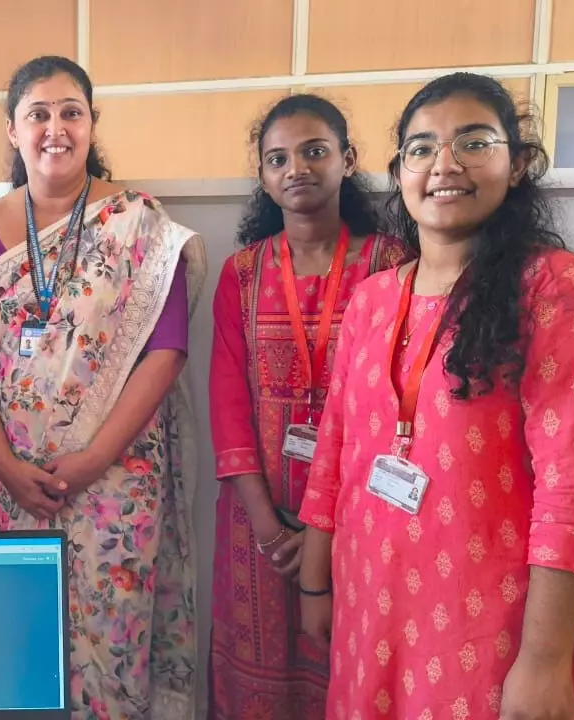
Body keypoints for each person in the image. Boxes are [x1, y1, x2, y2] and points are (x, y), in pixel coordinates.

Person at [298, 72, 574, 719]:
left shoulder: (555, 291)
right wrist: (314, 583)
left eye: (473, 143)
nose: (444, 165)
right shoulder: (373, 299)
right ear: (400, 172)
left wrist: (545, 662)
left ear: (518, 163)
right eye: (421, 149)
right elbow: (334, 450)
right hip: (367, 603)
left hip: (488, 630)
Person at [0, 55, 205, 719]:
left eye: (71, 112)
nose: (55, 128)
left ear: (92, 123)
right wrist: (5, 466)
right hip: (16, 479)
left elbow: (167, 349)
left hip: (116, 477)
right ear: (13, 130)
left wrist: (93, 459)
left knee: (114, 653)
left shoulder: (140, 220)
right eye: (38, 114)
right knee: (21, 648)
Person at [208, 94, 406, 719]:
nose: (296, 168)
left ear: (347, 159)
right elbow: (228, 409)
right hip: (257, 524)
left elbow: (403, 407)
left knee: (355, 672)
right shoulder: (242, 274)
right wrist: (271, 532)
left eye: (314, 151)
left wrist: (327, 533)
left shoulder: (392, 266)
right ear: (263, 175)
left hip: (362, 520)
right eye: (278, 158)